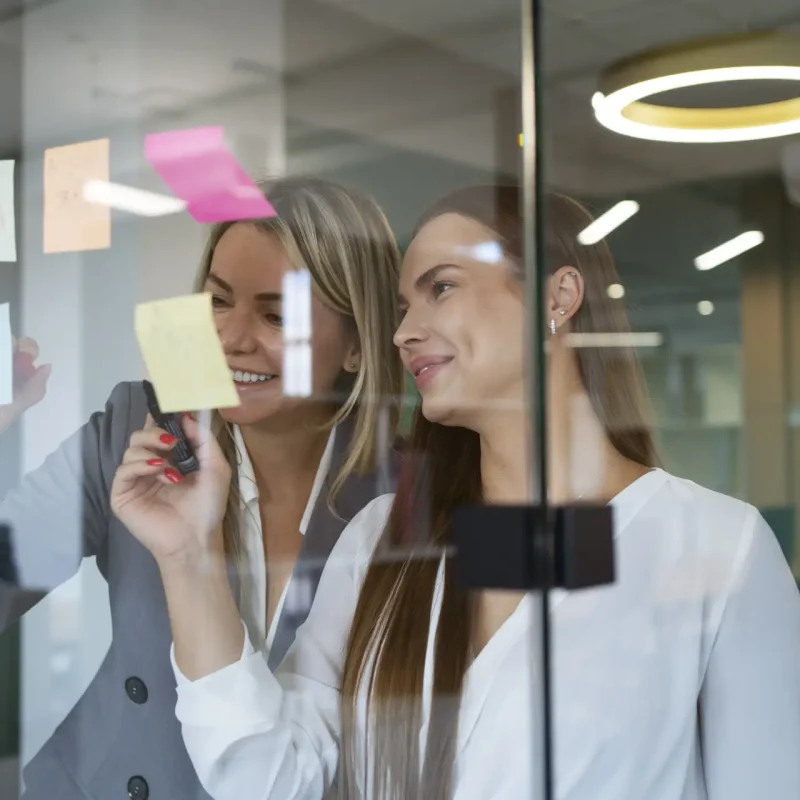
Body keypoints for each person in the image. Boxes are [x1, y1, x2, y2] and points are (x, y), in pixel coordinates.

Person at [113, 186, 800, 799]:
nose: (405, 332)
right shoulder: (384, 537)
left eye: (441, 287)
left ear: (558, 298)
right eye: (404, 304)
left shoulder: (717, 548)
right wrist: (188, 556)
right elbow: (267, 778)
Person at [0, 176, 404, 800]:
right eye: (218, 301)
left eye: (276, 314)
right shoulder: (136, 431)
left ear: (355, 344)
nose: (231, 337)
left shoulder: (402, 499)